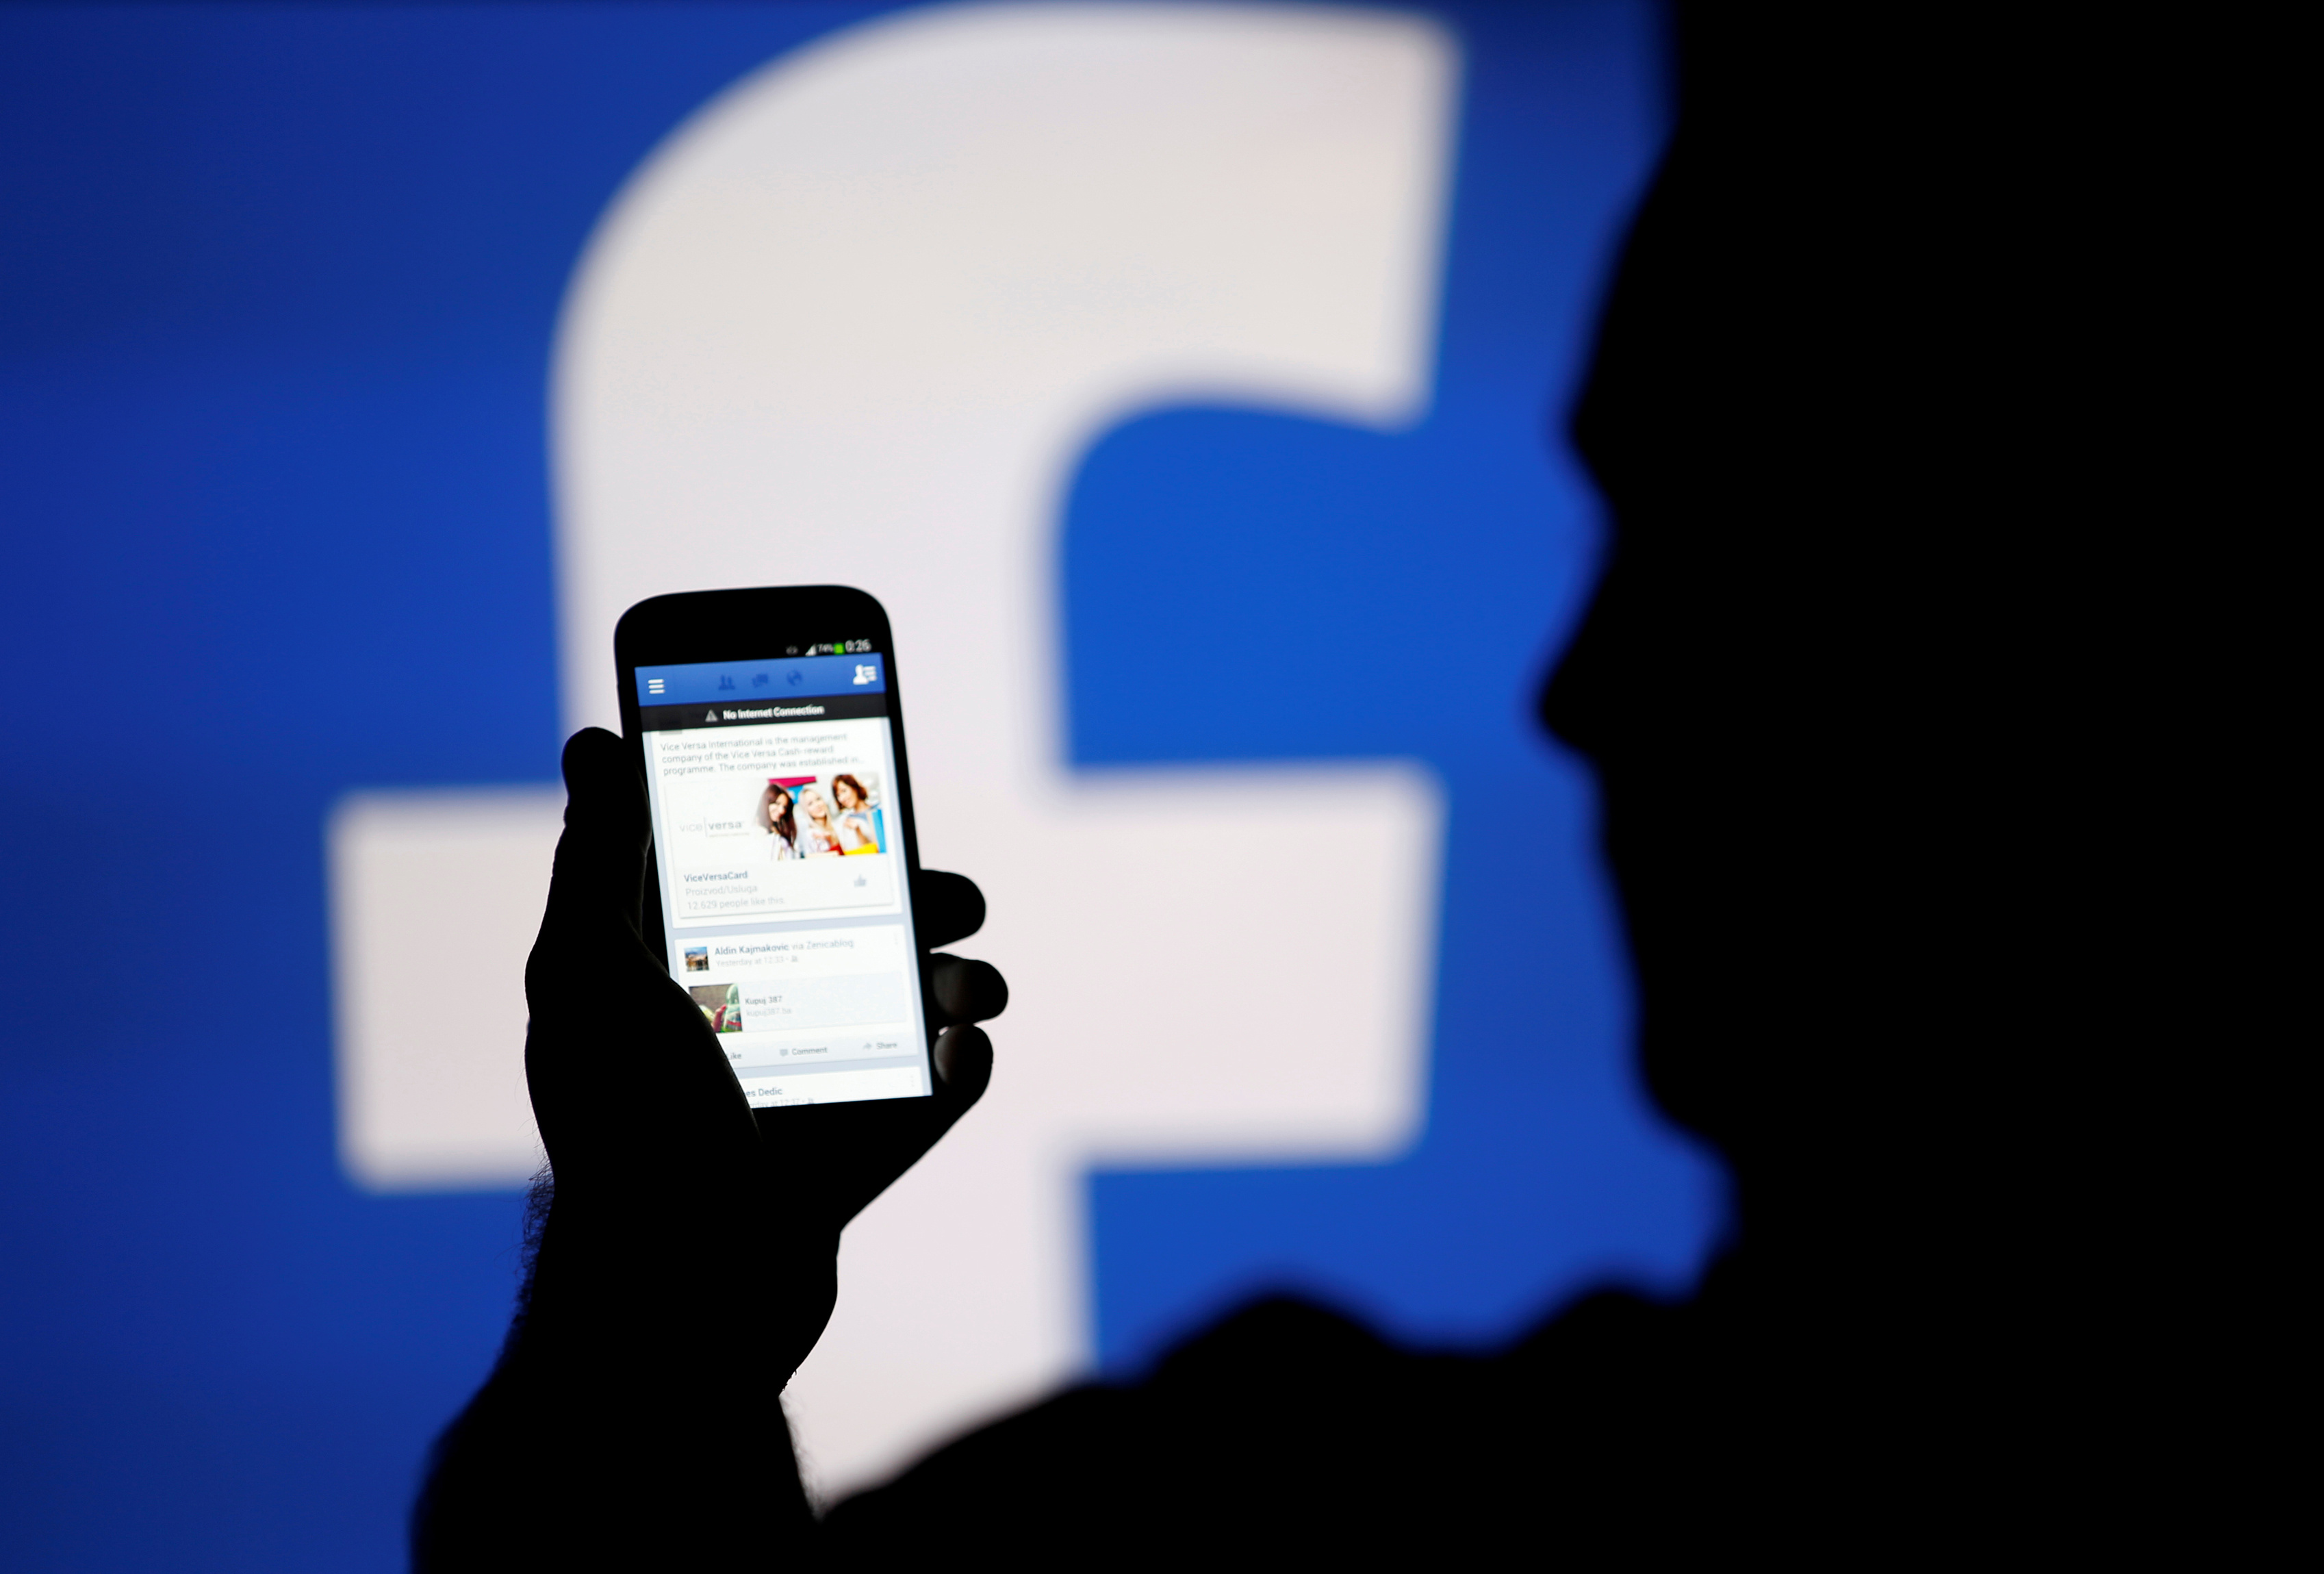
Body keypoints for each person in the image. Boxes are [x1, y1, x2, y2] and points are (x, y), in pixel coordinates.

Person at [413, 10, 1995, 1564]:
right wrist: (663, 1305)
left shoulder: (1285, 1507)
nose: (1573, 691)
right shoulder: (1297, 1476)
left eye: (1719, 551)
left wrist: (642, 1325)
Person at [831, 773, 880, 854]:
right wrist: (858, 831)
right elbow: (865, 852)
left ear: (854, 787)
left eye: (844, 791)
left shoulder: (878, 809)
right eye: (838, 795)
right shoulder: (847, 821)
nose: (842, 798)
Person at [794, 784, 844, 857]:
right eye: (810, 804)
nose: (817, 805)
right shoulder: (813, 835)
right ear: (806, 810)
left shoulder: (838, 825)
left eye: (818, 799)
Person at [756, 781, 800, 860]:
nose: (782, 811)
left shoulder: (778, 830)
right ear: (767, 802)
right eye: (777, 803)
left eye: (784, 807)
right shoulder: (758, 831)